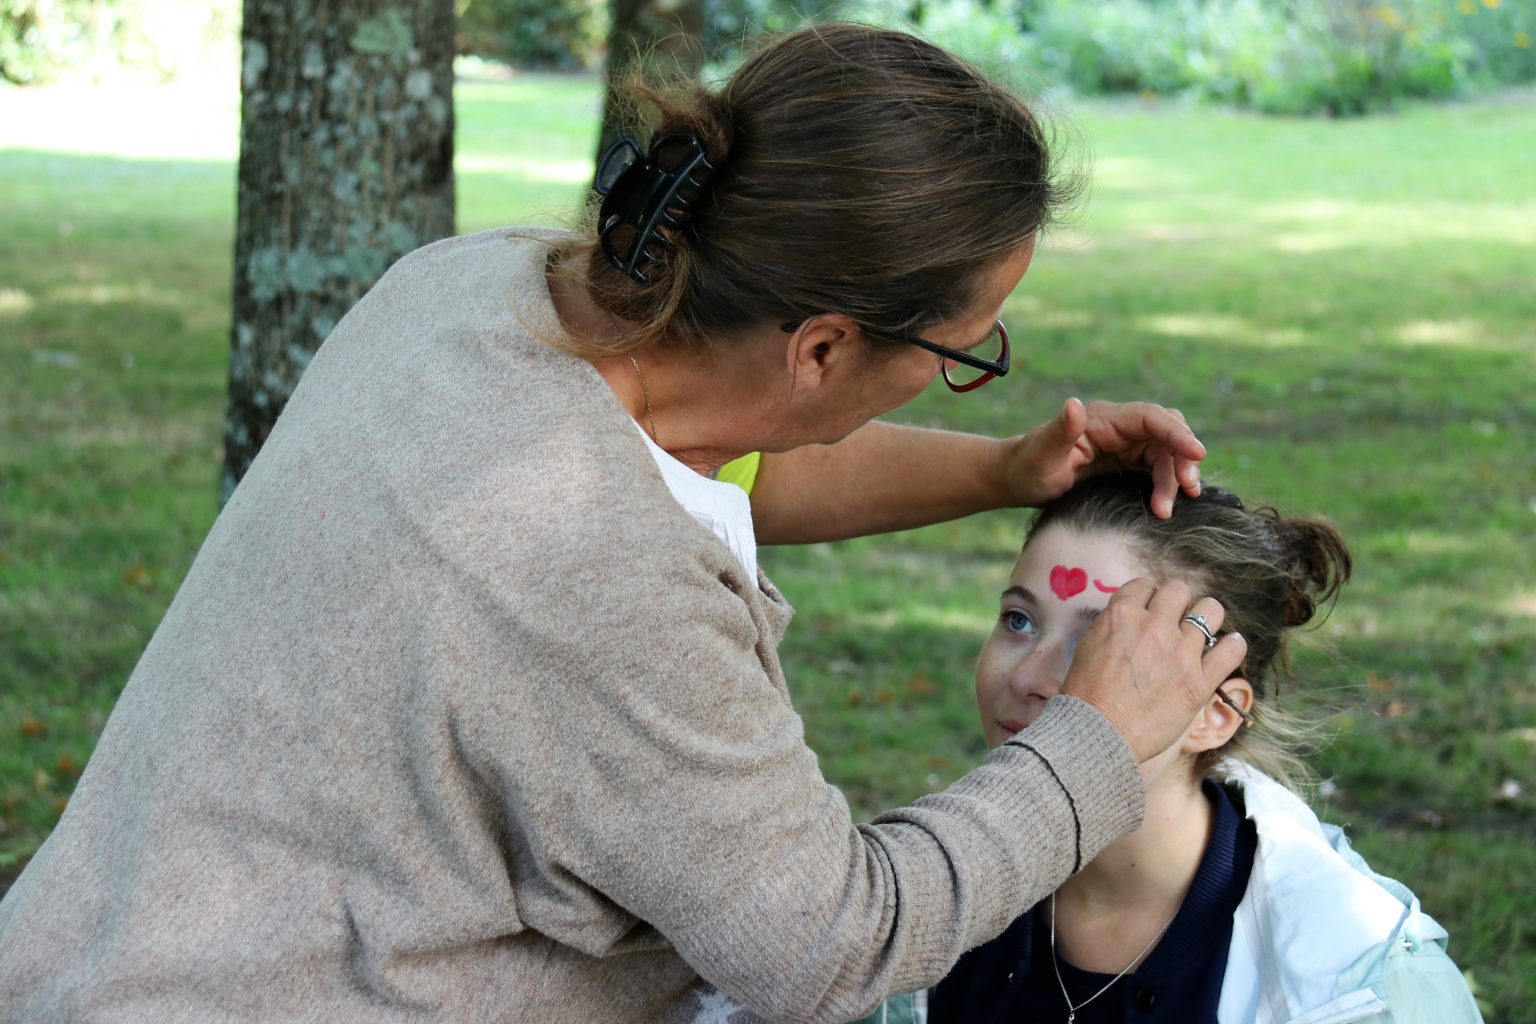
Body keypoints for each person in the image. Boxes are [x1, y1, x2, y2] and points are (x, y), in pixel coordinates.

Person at [0, 25, 1244, 1024]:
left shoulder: (475, 289)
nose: (965, 370)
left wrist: (1004, 469)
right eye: (964, 353)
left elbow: (726, 464)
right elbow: (830, 944)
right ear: (821, 348)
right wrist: (1094, 739)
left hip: (101, 957)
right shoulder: (608, 585)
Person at [861, 471, 1483, 1024]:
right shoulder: (916, 895)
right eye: (1019, 620)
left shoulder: (1363, 984)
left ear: (1215, 714)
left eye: (1104, 644)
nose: (1026, 676)